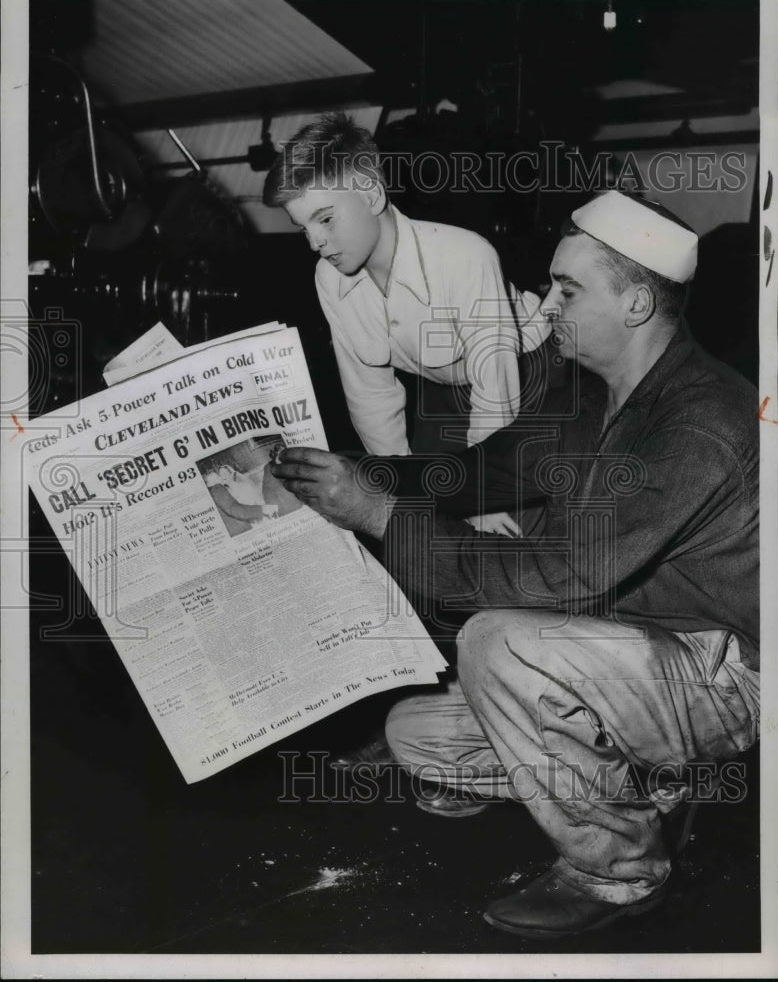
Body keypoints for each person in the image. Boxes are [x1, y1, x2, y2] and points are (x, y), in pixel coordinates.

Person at [270, 191, 760, 937]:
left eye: (569, 290)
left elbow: (567, 575)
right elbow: (477, 475)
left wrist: (374, 516)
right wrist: (355, 474)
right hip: (626, 658)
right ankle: (650, 780)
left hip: (724, 675)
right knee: (417, 737)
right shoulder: (590, 398)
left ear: (634, 303)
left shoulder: (702, 420)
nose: (547, 304)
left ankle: (619, 870)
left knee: (495, 641)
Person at [262, 111, 549, 535]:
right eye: (302, 227)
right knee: (424, 516)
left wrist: (483, 497)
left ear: (373, 196)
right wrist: (400, 490)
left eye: (325, 219)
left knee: (509, 529)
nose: (315, 242)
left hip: (531, 375)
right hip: (446, 385)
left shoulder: (467, 255)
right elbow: (370, 396)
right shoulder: (329, 277)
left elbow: (496, 392)